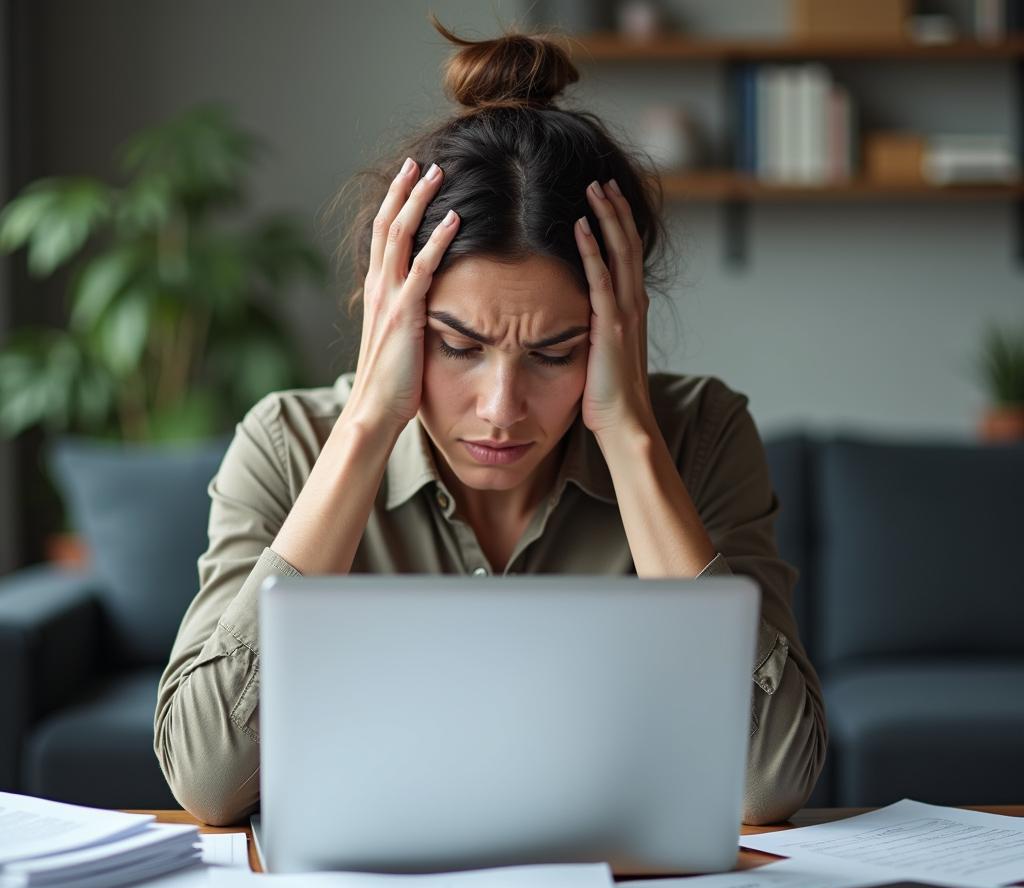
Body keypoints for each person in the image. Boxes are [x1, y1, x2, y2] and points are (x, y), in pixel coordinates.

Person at [154, 17, 826, 827]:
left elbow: (772, 781)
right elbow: (207, 780)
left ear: (618, 329)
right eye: (457, 345)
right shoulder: (287, 444)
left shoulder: (700, 437)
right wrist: (368, 424)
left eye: (555, 352)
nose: (501, 408)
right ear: (390, 317)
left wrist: (631, 438)